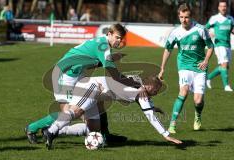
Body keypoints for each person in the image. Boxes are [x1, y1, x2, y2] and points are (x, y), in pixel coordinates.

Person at [25, 23, 144, 143]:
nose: (119, 41)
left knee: (97, 100)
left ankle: (105, 135)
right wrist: (133, 83)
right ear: (109, 34)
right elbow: (113, 73)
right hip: (64, 73)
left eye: (121, 39)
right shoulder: (103, 46)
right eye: (117, 37)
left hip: (77, 74)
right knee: (68, 112)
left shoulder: (103, 44)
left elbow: (97, 62)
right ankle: (32, 128)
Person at [43, 75, 182, 149]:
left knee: (94, 130)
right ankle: (51, 130)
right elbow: (150, 116)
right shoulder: (142, 93)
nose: (156, 94)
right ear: (150, 86)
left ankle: (55, 131)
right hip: (92, 87)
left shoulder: (139, 81)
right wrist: (166, 135)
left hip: (96, 89)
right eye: (155, 91)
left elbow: (145, 102)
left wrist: (153, 107)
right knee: (77, 111)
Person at [158, 3, 214, 134]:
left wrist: (206, 60)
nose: (184, 20)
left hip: (200, 67)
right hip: (184, 66)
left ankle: (197, 116)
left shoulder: (200, 29)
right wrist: (162, 68)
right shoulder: (175, 32)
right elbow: (168, 49)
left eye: (187, 17)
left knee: (198, 100)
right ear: (178, 16)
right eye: (182, 17)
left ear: (191, 16)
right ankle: (172, 124)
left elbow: (210, 46)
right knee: (183, 91)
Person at [206, 0, 234, 92]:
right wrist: (210, 33)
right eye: (221, 6)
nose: (223, 8)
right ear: (218, 8)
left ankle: (208, 78)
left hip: (228, 45)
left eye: (225, 6)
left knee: (224, 67)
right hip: (219, 45)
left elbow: (232, 30)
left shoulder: (230, 19)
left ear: (227, 7)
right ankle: (226, 86)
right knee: (224, 64)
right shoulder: (215, 18)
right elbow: (205, 28)